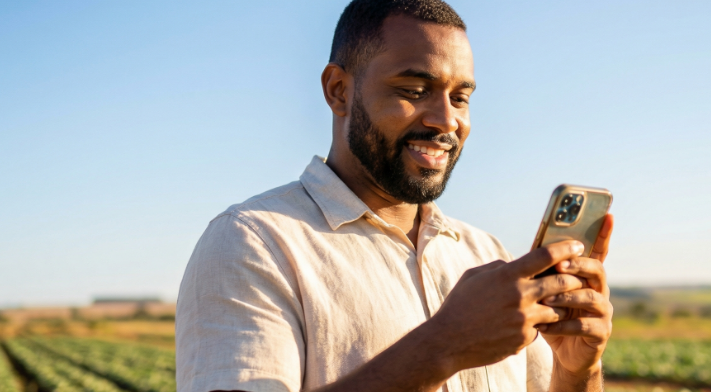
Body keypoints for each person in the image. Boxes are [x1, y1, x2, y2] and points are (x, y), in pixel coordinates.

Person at [175, 1, 615, 391]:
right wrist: (444, 345)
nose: (446, 121)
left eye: (460, 98)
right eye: (413, 91)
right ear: (338, 91)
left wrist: (576, 372)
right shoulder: (252, 243)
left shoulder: (486, 254)